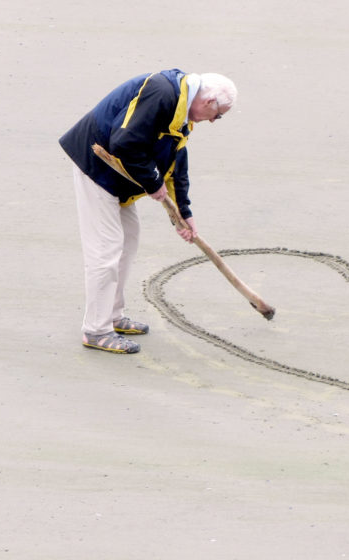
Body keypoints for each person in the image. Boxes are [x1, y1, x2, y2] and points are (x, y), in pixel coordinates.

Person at [59, 69, 237, 354]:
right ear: (209, 101)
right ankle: (96, 329)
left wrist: (182, 214)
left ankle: (113, 316)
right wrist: (153, 184)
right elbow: (123, 143)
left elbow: (175, 162)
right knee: (106, 251)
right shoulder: (162, 93)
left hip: (119, 178)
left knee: (129, 241)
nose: (214, 121)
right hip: (96, 168)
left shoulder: (182, 112)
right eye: (218, 115)